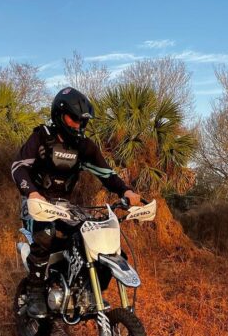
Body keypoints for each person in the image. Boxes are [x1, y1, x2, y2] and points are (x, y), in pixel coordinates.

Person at [12, 87, 142, 317]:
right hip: (35, 203)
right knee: (46, 232)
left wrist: (127, 191)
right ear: (59, 115)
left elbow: (107, 175)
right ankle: (35, 291)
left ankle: (87, 289)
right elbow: (19, 167)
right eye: (74, 119)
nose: (78, 125)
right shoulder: (41, 136)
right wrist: (32, 193)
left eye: (82, 121)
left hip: (66, 206)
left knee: (103, 239)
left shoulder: (85, 147)